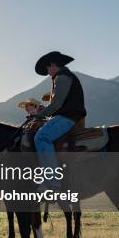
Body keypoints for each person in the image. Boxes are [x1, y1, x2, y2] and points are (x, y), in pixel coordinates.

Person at [32, 51, 87, 191]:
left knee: (41, 137)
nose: (48, 72)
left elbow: (57, 105)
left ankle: (52, 182)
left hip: (68, 117)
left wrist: (39, 115)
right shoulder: (65, 76)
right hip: (70, 116)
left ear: (53, 64)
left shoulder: (62, 77)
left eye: (47, 68)